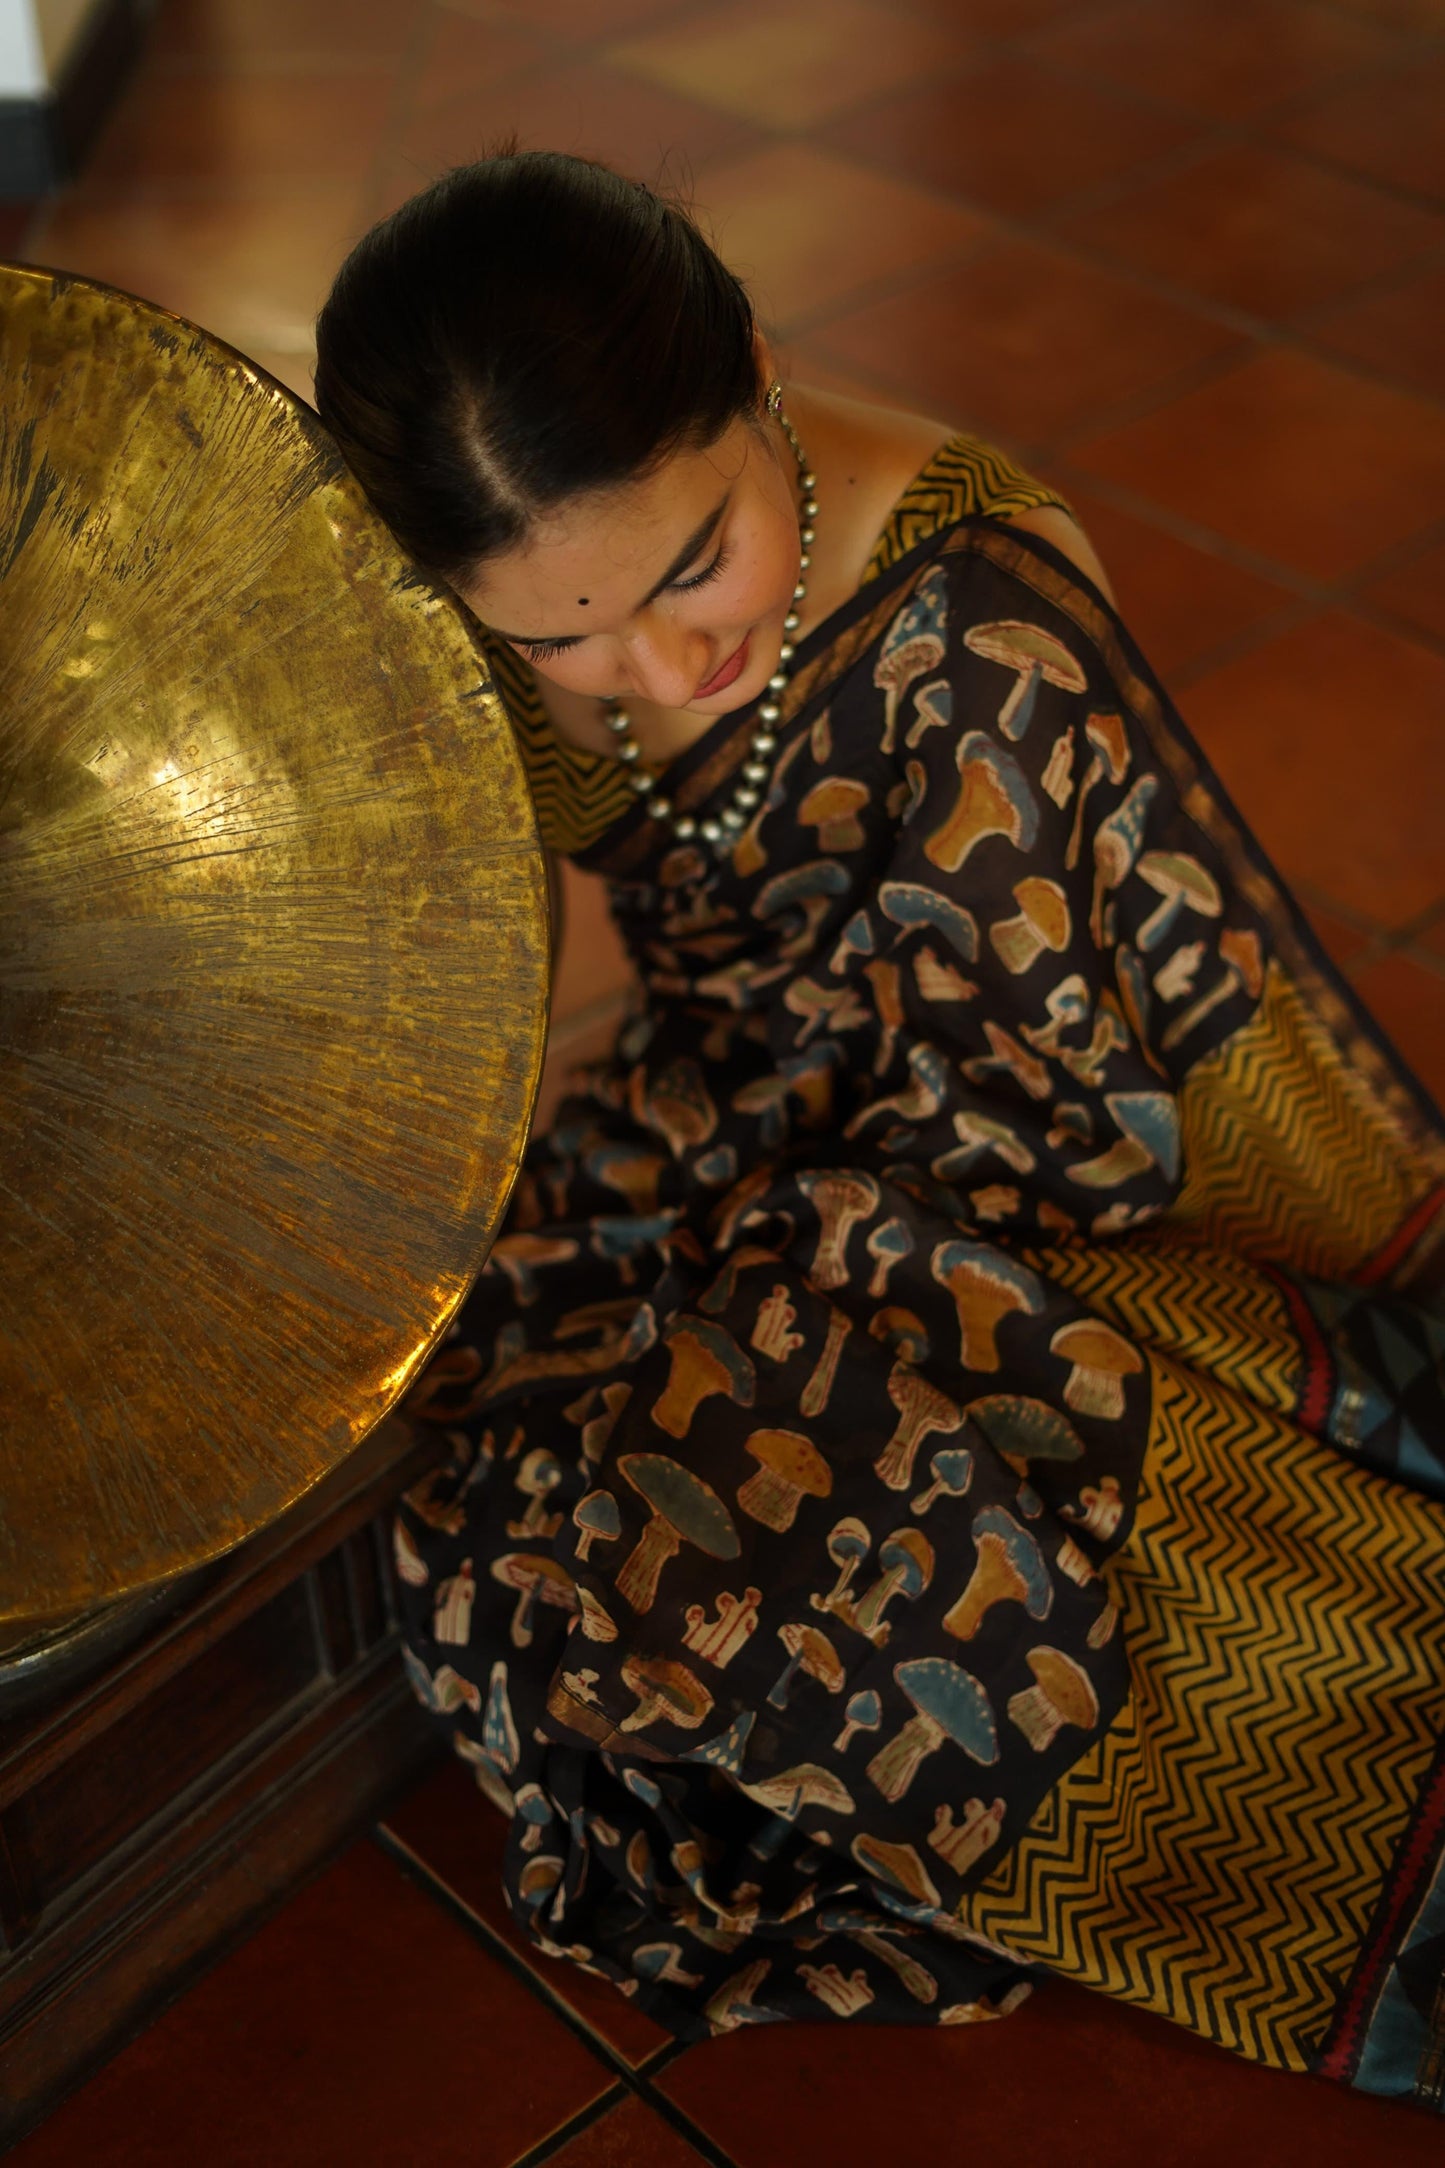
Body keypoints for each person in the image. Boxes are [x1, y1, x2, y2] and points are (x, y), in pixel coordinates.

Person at [314, 150, 1445, 2103]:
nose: (656, 671)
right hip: (727, 1114)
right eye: (565, 640)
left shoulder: (981, 614)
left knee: (906, 1518)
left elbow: (1106, 1097)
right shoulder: (506, 630)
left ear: (759, 374)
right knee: (504, 1487)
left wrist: (834, 1239)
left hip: (1029, 1190)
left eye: (697, 567)